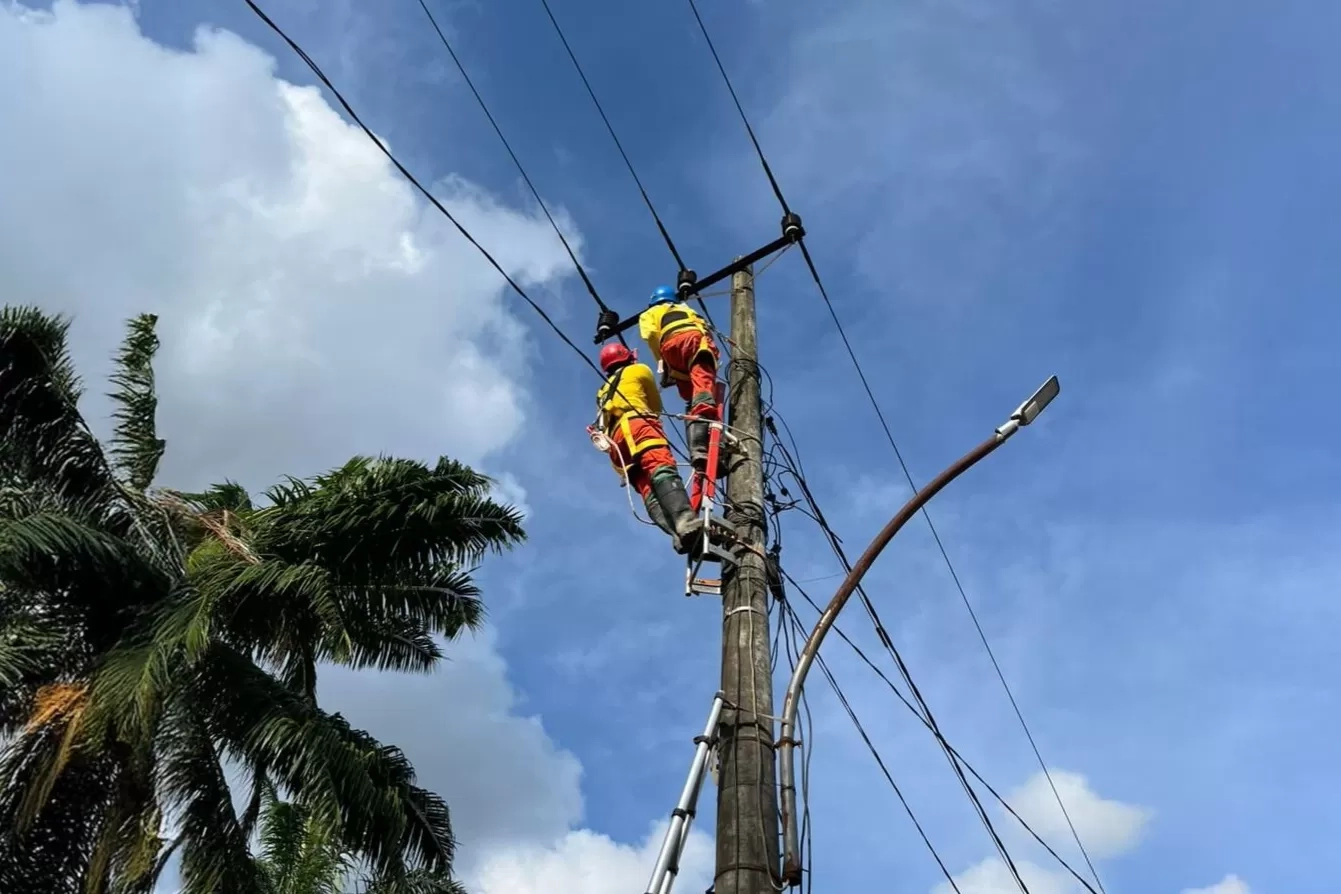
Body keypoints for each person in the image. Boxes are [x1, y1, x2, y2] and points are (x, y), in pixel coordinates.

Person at [594, 343, 703, 555]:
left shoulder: (601, 391)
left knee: (646, 487)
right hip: (638, 426)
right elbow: (655, 406)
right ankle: (685, 522)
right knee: (660, 468)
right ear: (627, 357)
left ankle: (676, 535)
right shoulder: (639, 370)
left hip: (616, 444)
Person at [638, 285, 722, 470]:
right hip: (694, 340)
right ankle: (706, 439)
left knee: (690, 396)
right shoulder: (684, 307)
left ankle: (698, 447)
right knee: (703, 386)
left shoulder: (649, 313)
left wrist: (663, 363)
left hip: (670, 348)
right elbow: (703, 327)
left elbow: (650, 334)